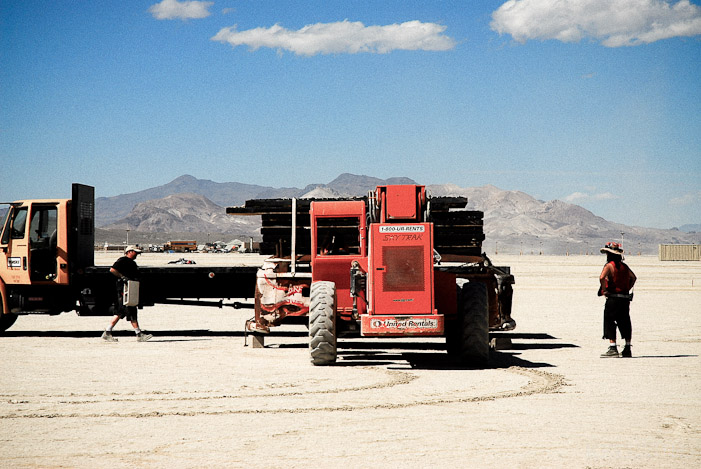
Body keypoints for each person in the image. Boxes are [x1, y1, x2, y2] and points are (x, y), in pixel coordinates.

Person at [101, 245, 152, 342]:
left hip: (129, 288)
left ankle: (109, 332)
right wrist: (123, 277)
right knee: (127, 310)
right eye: (135, 252)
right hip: (124, 289)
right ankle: (138, 334)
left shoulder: (131, 262)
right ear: (129, 251)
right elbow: (112, 270)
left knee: (124, 311)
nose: (137, 254)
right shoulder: (123, 260)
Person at [598, 242, 636, 358]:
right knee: (625, 321)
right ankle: (627, 348)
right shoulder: (625, 266)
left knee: (610, 321)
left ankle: (613, 347)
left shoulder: (609, 266)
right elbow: (633, 278)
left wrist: (604, 290)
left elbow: (602, 277)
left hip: (613, 298)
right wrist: (626, 289)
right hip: (624, 299)